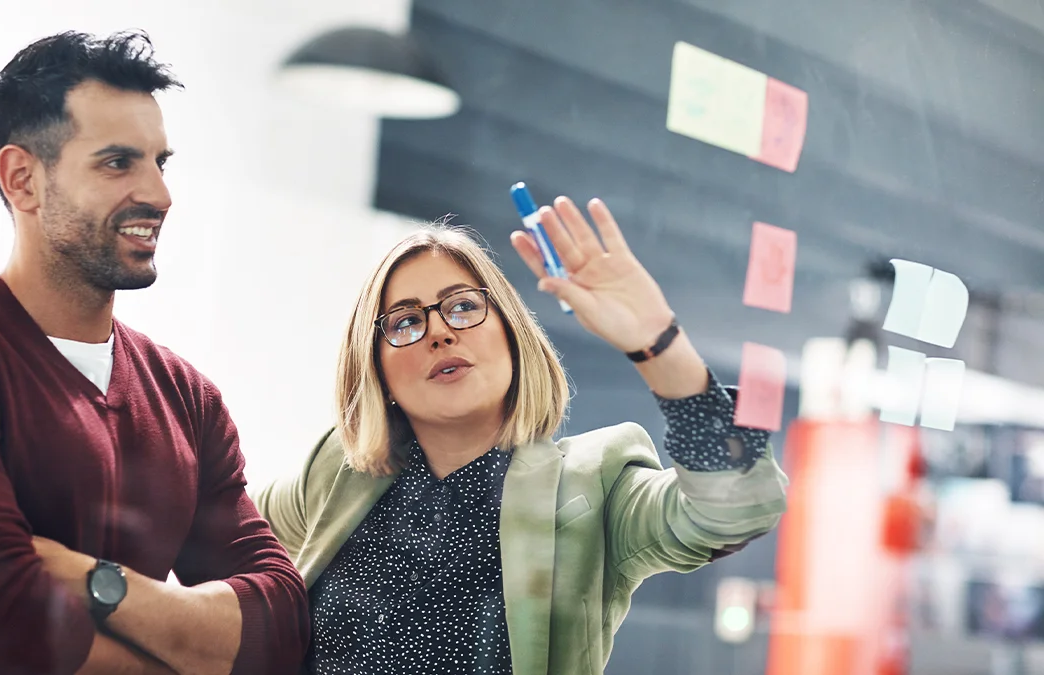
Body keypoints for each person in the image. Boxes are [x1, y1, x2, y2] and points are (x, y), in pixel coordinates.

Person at [0, 31, 309, 675]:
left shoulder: (187, 397)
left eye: (160, 162)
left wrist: (91, 581)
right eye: (118, 162)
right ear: (23, 179)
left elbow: (281, 627)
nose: (159, 195)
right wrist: (193, 653)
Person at [250, 199, 790, 674]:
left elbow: (736, 509)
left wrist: (658, 343)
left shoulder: (592, 486)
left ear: (511, 333)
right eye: (405, 321)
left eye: (463, 306)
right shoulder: (336, 473)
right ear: (376, 367)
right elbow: (216, 528)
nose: (438, 331)